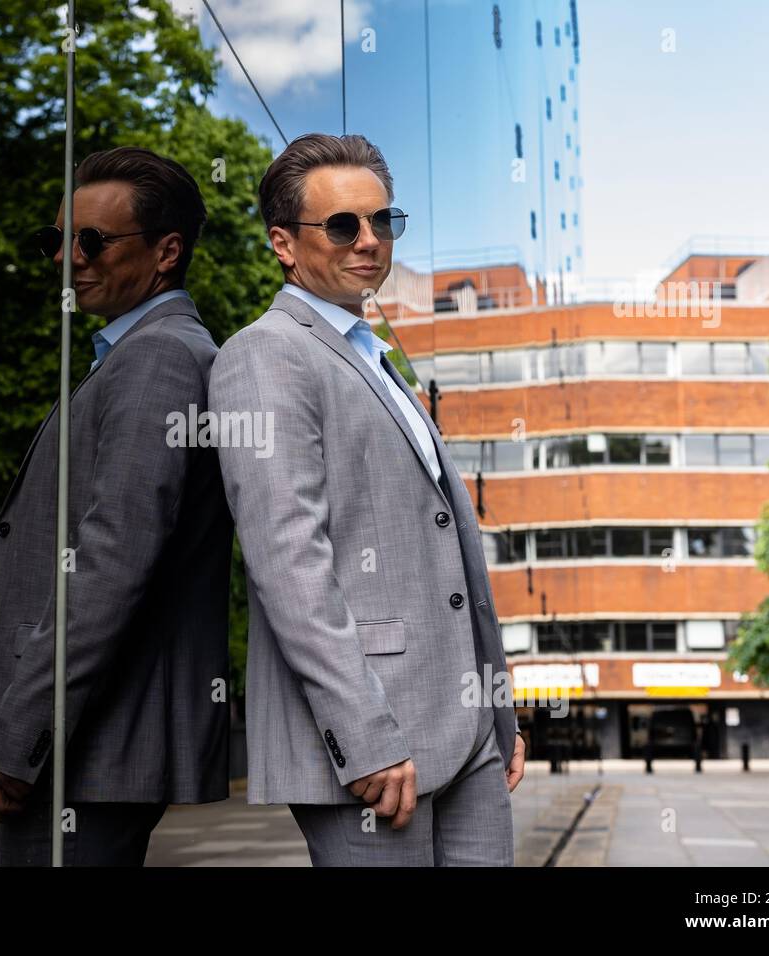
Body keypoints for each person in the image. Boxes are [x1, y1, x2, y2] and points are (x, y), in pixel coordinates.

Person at [208, 133, 526, 866]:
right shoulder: (264, 355)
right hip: (373, 739)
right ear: (283, 243)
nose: (369, 241)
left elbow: (444, 555)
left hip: (471, 729)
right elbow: (289, 562)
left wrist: (499, 712)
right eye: (343, 225)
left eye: (384, 222)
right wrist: (365, 736)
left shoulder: (372, 356)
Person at [0, 146, 232, 866]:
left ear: (167, 251)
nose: (68, 258)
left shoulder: (158, 358)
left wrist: (24, 733)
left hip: (82, 753)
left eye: (92, 241)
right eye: (57, 240)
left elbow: (113, 560)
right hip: (89, 750)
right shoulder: (136, 355)